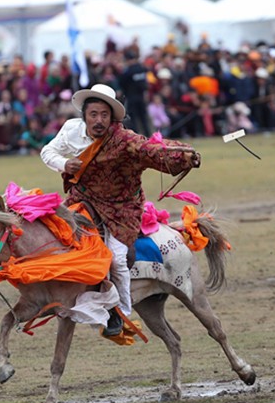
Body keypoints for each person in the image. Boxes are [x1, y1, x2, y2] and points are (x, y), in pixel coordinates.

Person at [40, 84, 200, 336]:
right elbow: (47, 151)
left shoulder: (124, 140)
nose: (99, 120)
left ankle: (121, 309)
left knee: (115, 256)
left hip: (121, 207)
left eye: (104, 115)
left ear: (113, 118)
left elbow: (152, 151)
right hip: (83, 199)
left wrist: (184, 157)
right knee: (57, 235)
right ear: (84, 115)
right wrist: (64, 163)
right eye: (93, 114)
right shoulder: (70, 129)